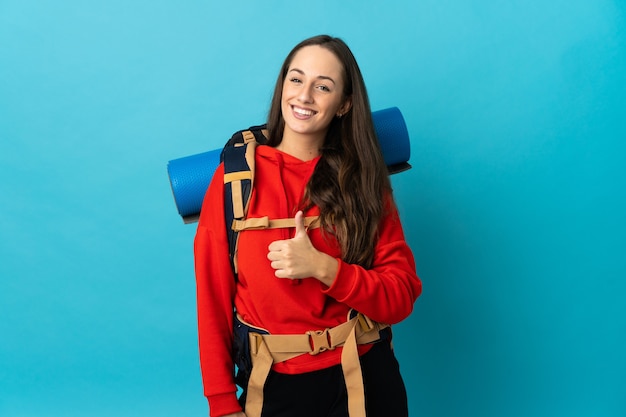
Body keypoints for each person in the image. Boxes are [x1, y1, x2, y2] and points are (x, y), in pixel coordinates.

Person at [194, 34, 422, 417]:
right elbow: (212, 299)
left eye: (324, 86)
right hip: (277, 386)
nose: (304, 96)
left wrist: (323, 267)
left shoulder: (363, 181)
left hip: (366, 377)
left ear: (344, 104)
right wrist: (221, 403)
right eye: (296, 79)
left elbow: (400, 296)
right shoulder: (234, 182)